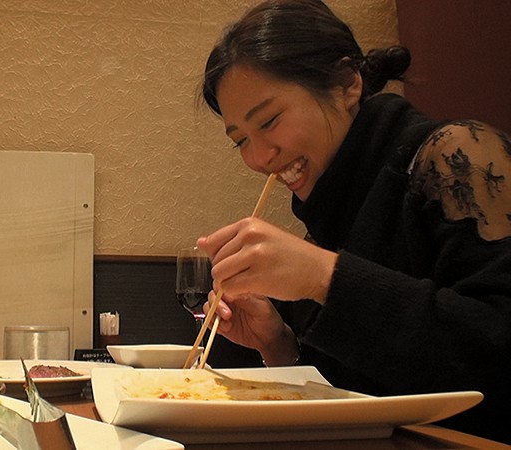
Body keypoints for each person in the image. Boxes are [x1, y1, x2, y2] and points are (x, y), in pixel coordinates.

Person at [196, 0, 510, 443]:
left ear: (347, 83)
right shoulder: (330, 212)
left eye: (269, 121)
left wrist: (324, 276)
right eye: (241, 141)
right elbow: (361, 395)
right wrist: (277, 343)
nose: (260, 157)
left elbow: (494, 352)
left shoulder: (457, 157)